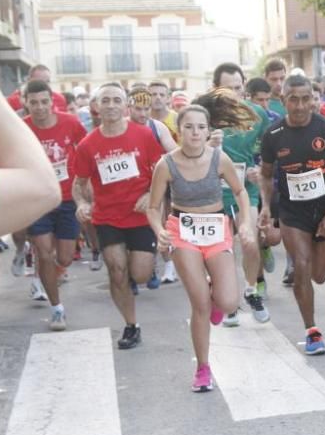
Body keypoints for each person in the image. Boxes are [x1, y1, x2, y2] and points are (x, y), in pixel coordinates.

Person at [146, 105, 252, 392]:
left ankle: (215, 296)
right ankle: (203, 368)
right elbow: (153, 208)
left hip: (217, 229)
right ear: (179, 132)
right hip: (183, 231)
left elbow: (240, 192)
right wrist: (160, 231)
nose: (195, 132)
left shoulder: (220, 159)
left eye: (201, 127)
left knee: (229, 302)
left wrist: (245, 223)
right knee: (200, 305)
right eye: (189, 127)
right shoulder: (165, 164)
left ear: (208, 131)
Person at [260, 74, 325, 353]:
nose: (299, 106)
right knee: (301, 264)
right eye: (293, 99)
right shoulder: (273, 135)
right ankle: (312, 332)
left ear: (313, 99)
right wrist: (266, 206)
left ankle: (306, 282)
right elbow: (265, 176)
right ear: (283, 100)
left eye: (305, 99)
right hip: (292, 211)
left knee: (319, 275)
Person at [73, 83, 165, 349]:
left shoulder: (143, 135)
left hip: (139, 215)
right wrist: (81, 204)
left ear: (125, 106)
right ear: (96, 107)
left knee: (140, 275)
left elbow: (162, 172)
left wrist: (151, 195)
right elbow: (78, 183)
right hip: (107, 217)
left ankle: (148, 262)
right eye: (106, 100)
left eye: (116, 100)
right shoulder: (88, 145)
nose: (111, 105)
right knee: (116, 270)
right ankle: (131, 325)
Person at [202, 63, 273, 324]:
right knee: (223, 249)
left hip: (245, 188)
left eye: (238, 87)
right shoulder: (204, 114)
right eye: (227, 89)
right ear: (216, 89)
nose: (234, 94)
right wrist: (208, 144)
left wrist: (258, 169)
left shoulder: (256, 114)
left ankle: (252, 290)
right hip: (213, 193)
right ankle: (227, 300)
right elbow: (186, 152)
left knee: (249, 241)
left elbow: (266, 153)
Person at [22, 79, 86, 328]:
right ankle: (56, 308)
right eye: (34, 102)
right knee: (45, 254)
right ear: (26, 103)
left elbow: (86, 150)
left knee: (66, 258)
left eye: (44, 102)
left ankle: (46, 275)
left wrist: (87, 186)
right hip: (37, 199)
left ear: (52, 102)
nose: (39, 107)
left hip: (67, 198)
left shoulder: (70, 123)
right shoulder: (22, 128)